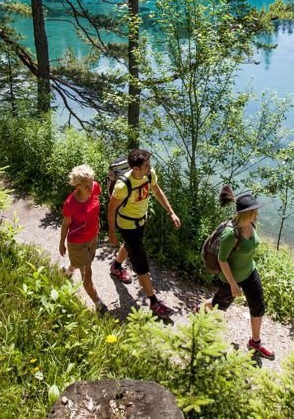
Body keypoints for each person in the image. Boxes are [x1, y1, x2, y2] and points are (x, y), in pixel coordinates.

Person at [198, 185, 275, 360]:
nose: (257, 213)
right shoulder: (230, 234)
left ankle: (255, 342)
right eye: (254, 211)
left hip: (250, 272)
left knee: (258, 306)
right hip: (231, 278)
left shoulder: (251, 223)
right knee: (219, 304)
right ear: (246, 213)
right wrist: (233, 284)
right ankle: (199, 311)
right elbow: (222, 260)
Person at [107, 149, 181, 318]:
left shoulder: (149, 174)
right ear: (136, 169)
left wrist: (171, 212)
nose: (150, 167)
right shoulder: (122, 186)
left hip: (141, 221)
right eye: (147, 165)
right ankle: (154, 302)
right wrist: (112, 233)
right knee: (141, 265)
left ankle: (116, 266)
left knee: (131, 245)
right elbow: (111, 210)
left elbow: (157, 191)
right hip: (127, 225)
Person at [59, 164, 108, 313]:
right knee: (87, 272)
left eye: (92, 182)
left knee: (82, 263)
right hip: (77, 242)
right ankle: (98, 304)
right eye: (87, 185)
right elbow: (65, 223)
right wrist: (61, 243)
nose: (91, 187)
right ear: (78, 185)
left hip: (93, 237)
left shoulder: (95, 188)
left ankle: (66, 271)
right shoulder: (70, 204)